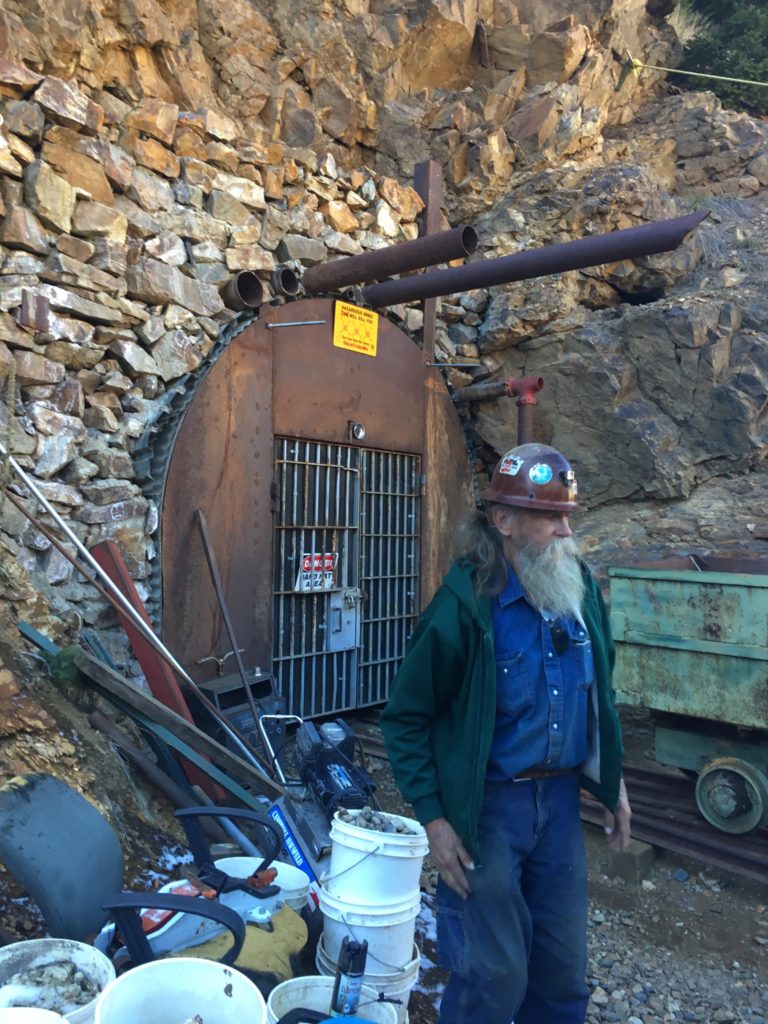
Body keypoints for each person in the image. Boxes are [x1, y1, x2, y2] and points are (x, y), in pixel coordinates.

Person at [380, 442, 632, 1024]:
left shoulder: (581, 589)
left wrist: (612, 781)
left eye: (567, 516)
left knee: (562, 974)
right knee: (492, 978)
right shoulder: (464, 605)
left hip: (561, 807)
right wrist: (435, 821)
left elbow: (602, 692)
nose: (565, 531)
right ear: (503, 522)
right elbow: (406, 718)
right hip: (490, 811)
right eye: (549, 517)